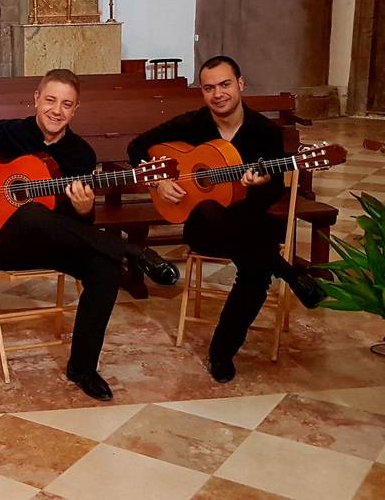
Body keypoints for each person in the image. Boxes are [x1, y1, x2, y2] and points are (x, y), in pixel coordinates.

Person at [0, 69, 180, 402]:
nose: (57, 110)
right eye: (50, 100)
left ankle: (82, 367)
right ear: (36, 99)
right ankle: (131, 251)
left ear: (75, 110)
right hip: (6, 243)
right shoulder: (7, 133)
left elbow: (79, 226)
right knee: (31, 212)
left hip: (56, 242)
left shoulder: (81, 155)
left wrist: (84, 209)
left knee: (105, 268)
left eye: (66, 104)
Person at [128, 55, 326, 383]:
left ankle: (221, 353)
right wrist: (159, 181)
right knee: (208, 210)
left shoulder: (265, 132)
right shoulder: (192, 125)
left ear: (240, 84)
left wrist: (259, 185)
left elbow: (273, 190)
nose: (218, 93)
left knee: (255, 274)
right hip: (204, 227)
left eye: (225, 84)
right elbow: (138, 147)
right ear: (202, 93)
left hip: (251, 223)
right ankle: (288, 271)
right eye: (209, 88)